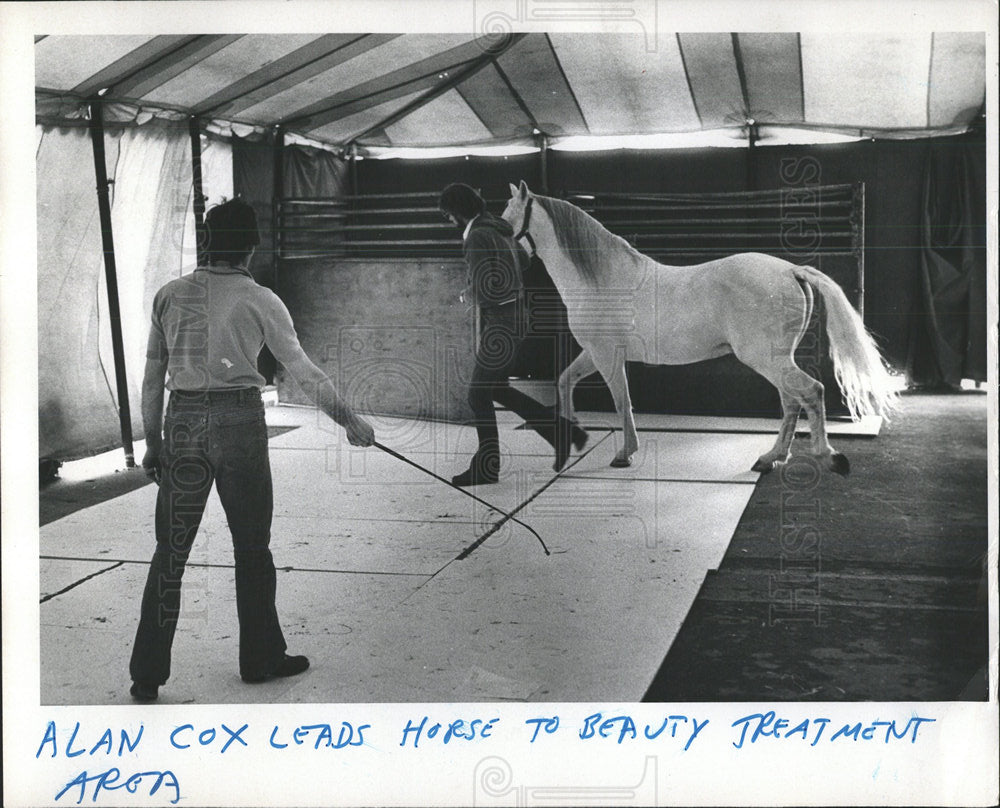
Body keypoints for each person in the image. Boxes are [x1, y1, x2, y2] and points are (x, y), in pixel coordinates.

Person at [129, 198, 375, 702]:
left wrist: (153, 443)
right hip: (240, 421)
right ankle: (260, 658)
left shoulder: (170, 295)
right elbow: (305, 371)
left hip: (182, 423)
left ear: (207, 242)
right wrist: (349, 419)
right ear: (252, 245)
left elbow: (153, 378)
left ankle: (147, 673)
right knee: (252, 547)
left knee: (170, 551)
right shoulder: (261, 299)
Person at [439, 183, 586, 486]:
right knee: (495, 388)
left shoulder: (477, 236)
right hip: (518, 318)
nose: (448, 220)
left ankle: (487, 467)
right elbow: (524, 260)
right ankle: (561, 432)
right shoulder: (499, 227)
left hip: (501, 323)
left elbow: (489, 287)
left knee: (477, 394)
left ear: (457, 212)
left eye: (447, 214)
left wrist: (470, 294)